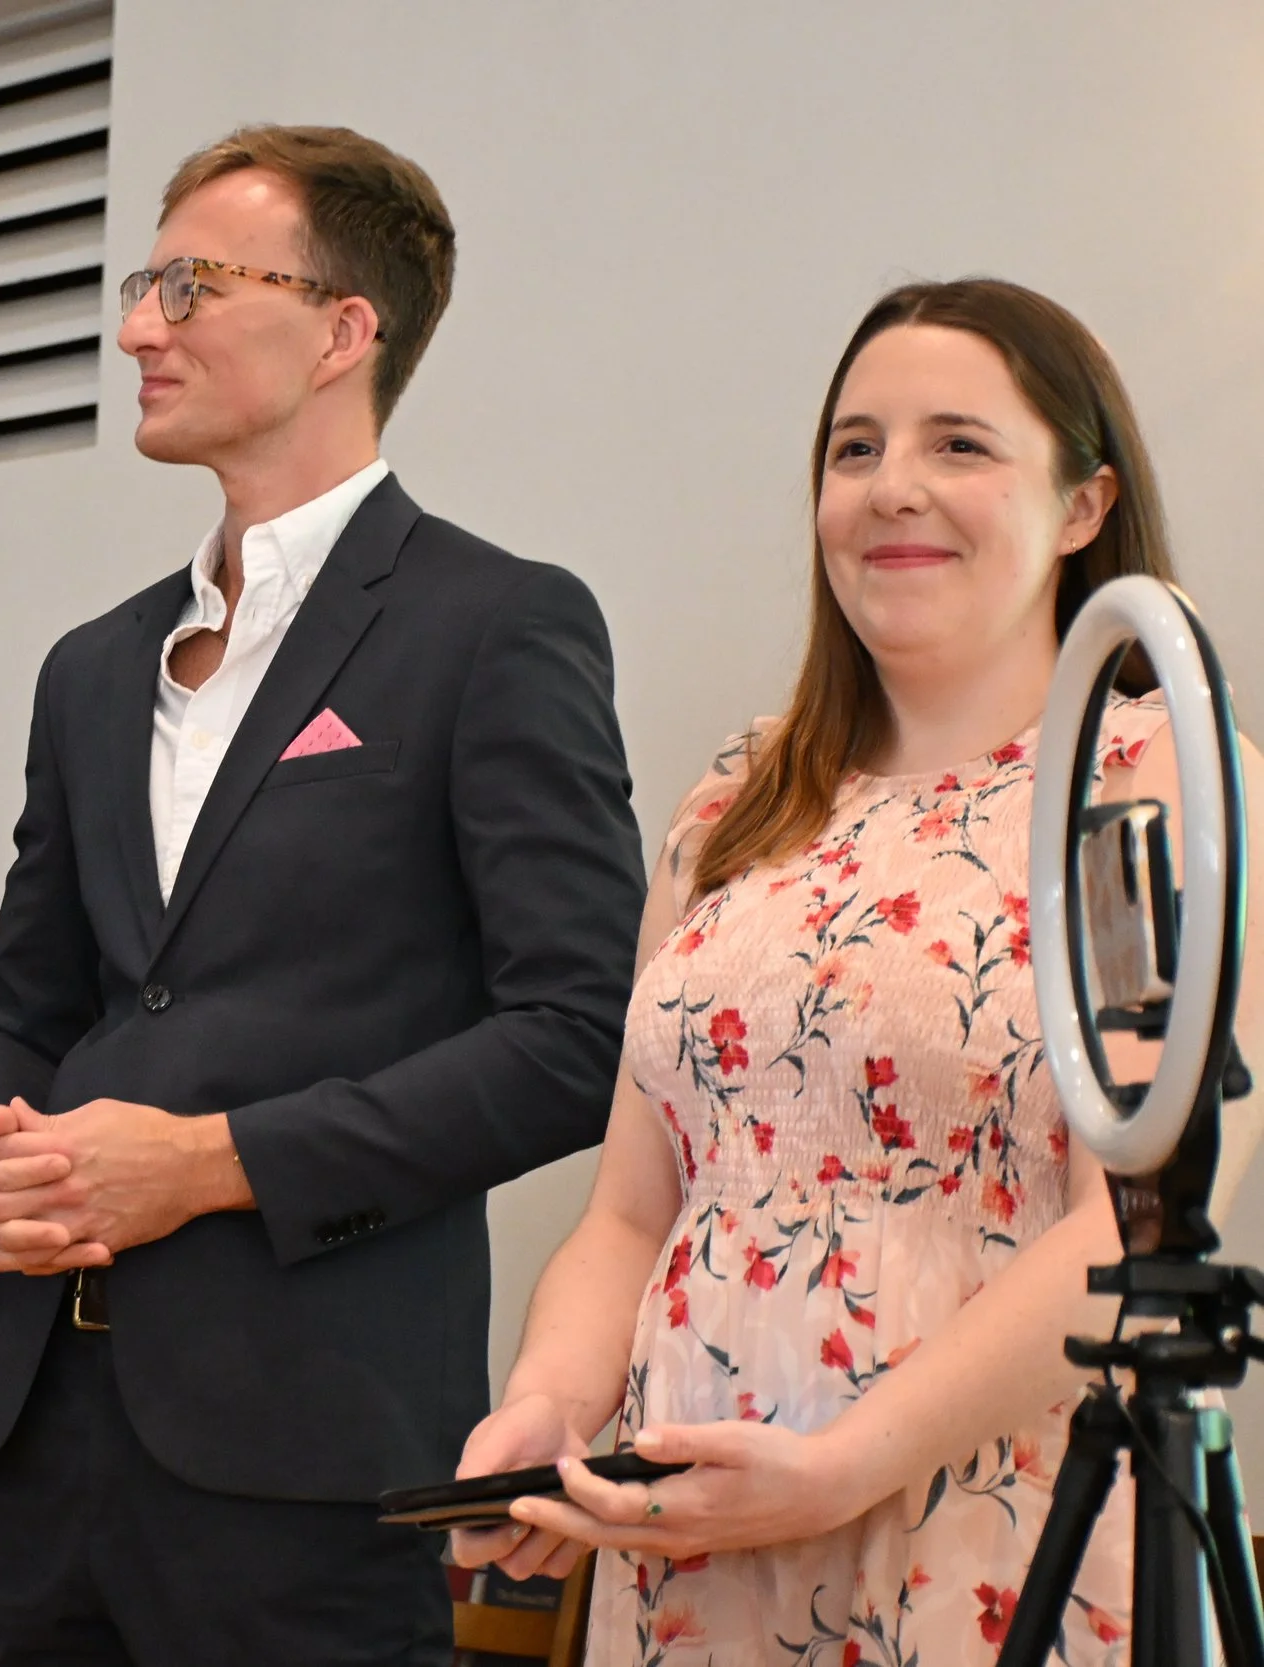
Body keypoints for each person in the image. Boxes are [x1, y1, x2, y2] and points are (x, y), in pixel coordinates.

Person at [453, 277, 1264, 1662]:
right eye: (855, 447)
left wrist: (845, 1459)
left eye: (960, 443)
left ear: (1082, 506)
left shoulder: (1148, 777)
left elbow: (1128, 1223)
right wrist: (546, 1400)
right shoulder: (737, 798)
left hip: (994, 1526)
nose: (894, 487)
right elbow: (631, 1210)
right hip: (695, 1535)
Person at [0, 124, 647, 1665]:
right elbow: (26, 998)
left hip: (309, 1443)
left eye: (189, 284)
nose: (140, 326)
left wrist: (207, 1160)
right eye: (144, 283)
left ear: (342, 329)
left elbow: (576, 1030)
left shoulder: (495, 623)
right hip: (45, 1423)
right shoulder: (93, 664)